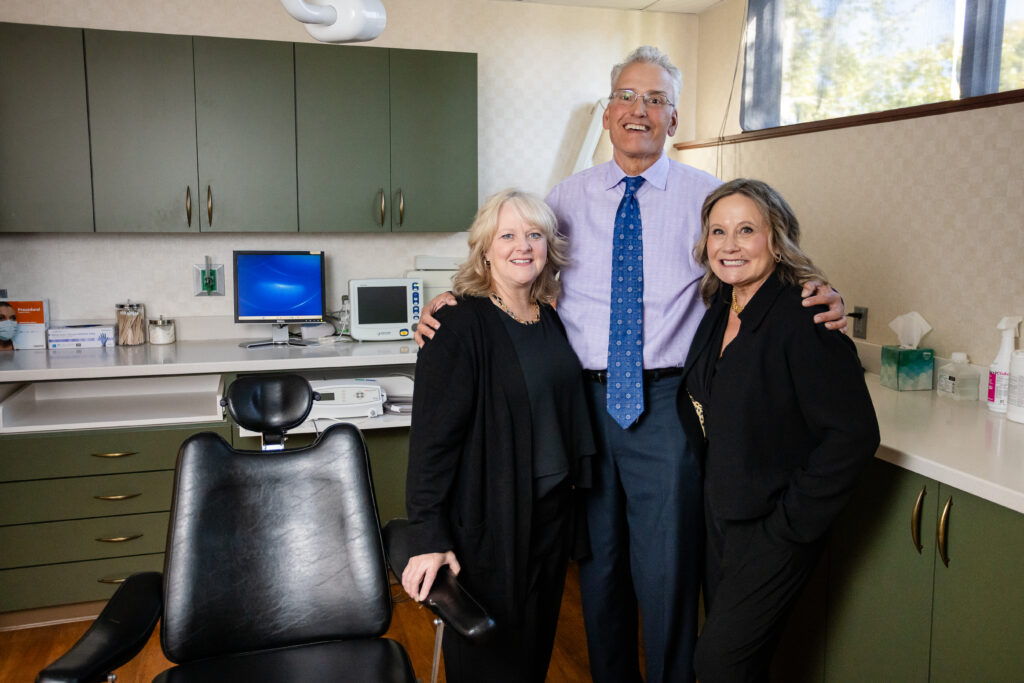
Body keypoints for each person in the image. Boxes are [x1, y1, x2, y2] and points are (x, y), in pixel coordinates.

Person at [417, 47, 847, 683]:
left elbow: (760, 259)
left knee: (667, 571)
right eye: (626, 97)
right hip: (580, 410)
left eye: (655, 100)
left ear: (673, 119)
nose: (638, 110)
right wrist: (452, 298)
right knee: (599, 568)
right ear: (607, 113)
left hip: (668, 407)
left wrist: (820, 291)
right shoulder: (564, 198)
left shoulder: (708, 199)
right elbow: (516, 262)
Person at [679, 179, 880, 681]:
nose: (729, 245)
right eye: (718, 231)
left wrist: (789, 526)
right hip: (721, 517)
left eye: (746, 230)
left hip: (773, 528)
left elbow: (853, 435)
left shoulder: (805, 316)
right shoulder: (723, 307)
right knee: (741, 662)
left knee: (719, 663)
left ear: (776, 238)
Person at [401, 189, 595, 682]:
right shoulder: (457, 323)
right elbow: (431, 443)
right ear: (485, 249)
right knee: (490, 661)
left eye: (534, 235)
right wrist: (427, 537)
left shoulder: (548, 317)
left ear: (548, 247)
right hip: (490, 524)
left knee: (531, 657)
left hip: (550, 519)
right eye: (507, 235)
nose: (522, 246)